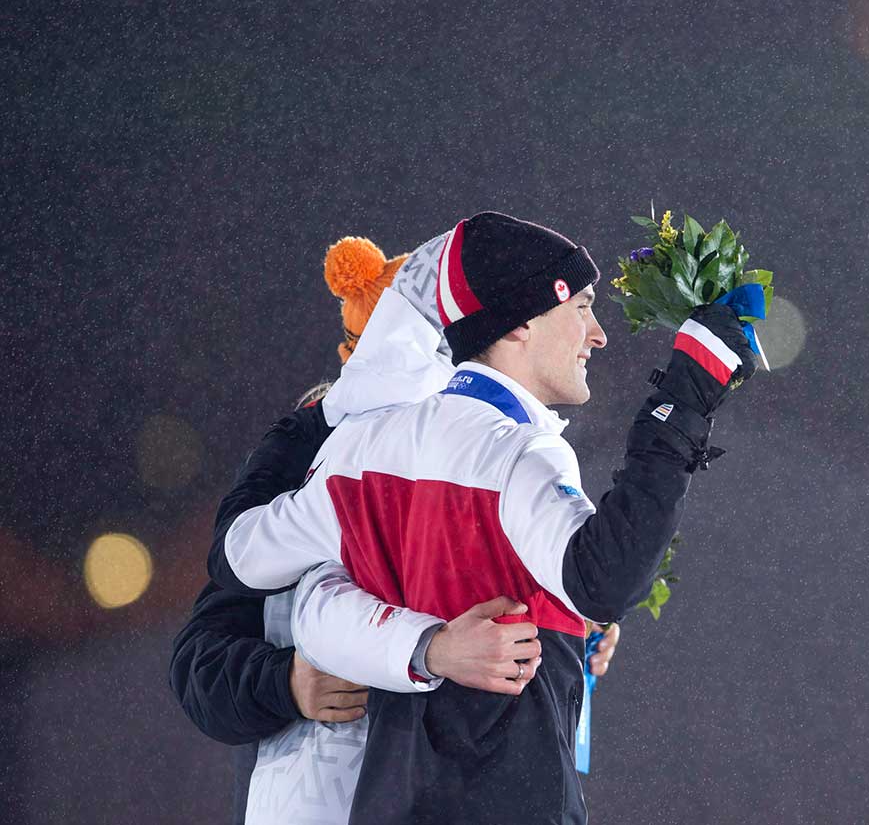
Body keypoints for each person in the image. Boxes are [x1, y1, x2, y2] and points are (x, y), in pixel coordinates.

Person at [209, 211, 756, 824]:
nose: (597, 334)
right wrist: (683, 401)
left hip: (387, 804)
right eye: (580, 307)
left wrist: (428, 646)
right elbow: (606, 579)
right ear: (520, 321)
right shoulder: (516, 449)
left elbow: (243, 558)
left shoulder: (357, 450)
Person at [170, 235, 622, 824]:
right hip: (314, 797)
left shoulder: (473, 454)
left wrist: (570, 624)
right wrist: (285, 684)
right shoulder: (320, 459)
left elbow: (499, 610)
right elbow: (199, 664)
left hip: (437, 785)